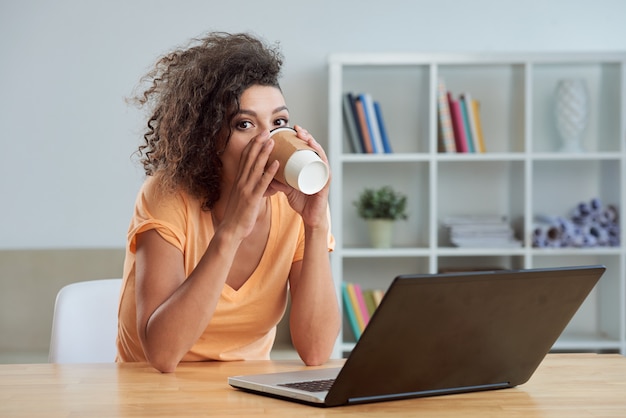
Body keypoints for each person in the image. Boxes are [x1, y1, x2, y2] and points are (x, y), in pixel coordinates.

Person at [116, 32, 340, 373]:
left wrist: (316, 223)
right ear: (207, 139)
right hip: (153, 391)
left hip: (246, 391)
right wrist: (233, 230)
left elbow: (316, 351)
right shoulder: (166, 196)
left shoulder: (294, 207)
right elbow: (161, 355)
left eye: (279, 122)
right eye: (245, 124)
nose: (268, 140)